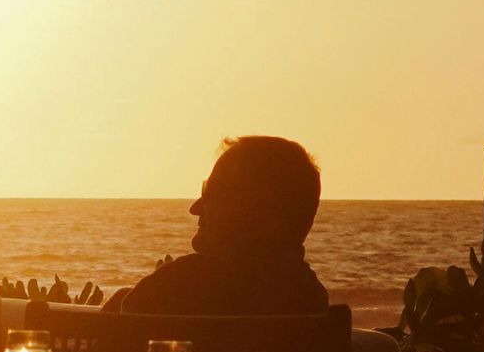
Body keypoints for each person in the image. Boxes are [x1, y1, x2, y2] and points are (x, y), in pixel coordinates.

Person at [112, 135, 327, 317]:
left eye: (211, 192)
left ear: (254, 206)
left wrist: (164, 282)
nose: (195, 208)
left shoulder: (180, 285)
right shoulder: (310, 297)